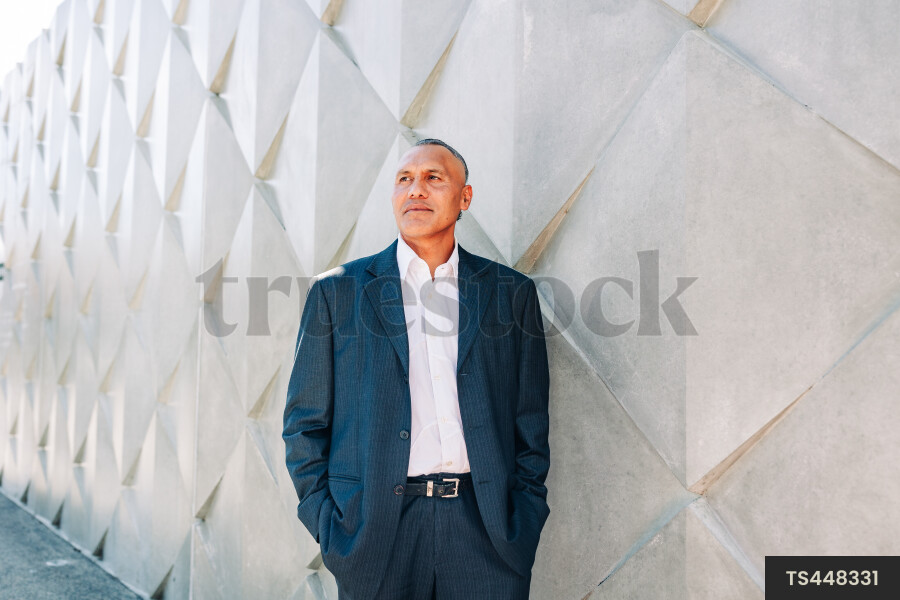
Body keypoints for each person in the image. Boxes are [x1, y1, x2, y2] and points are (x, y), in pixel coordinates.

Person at [283, 138, 550, 599]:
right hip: (376, 532)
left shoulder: (511, 293)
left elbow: (530, 419)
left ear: (464, 197)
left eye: (433, 178)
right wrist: (330, 523)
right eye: (404, 179)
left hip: (485, 529)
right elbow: (303, 424)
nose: (416, 190)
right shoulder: (337, 293)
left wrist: (523, 514)